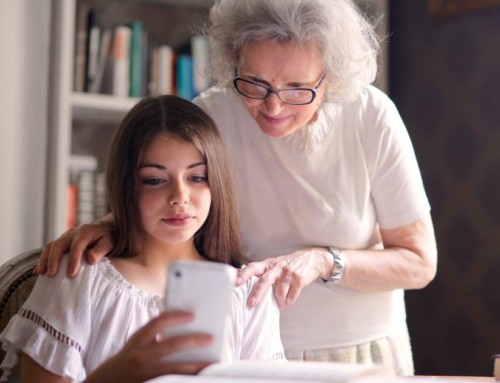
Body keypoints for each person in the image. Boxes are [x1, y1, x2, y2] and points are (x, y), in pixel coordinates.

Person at [36, 0, 438, 376]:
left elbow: (419, 261)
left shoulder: (371, 116)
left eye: (297, 87)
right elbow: (174, 186)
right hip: (248, 343)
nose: (272, 107)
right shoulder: (215, 113)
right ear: (234, 63)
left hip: (360, 345)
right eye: (255, 83)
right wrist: (108, 226)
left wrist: (322, 261)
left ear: (329, 77)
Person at [0, 95, 285, 383]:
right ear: (126, 187)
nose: (179, 198)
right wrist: (117, 375)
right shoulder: (78, 276)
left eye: (196, 177)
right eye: (154, 180)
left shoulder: (251, 295)